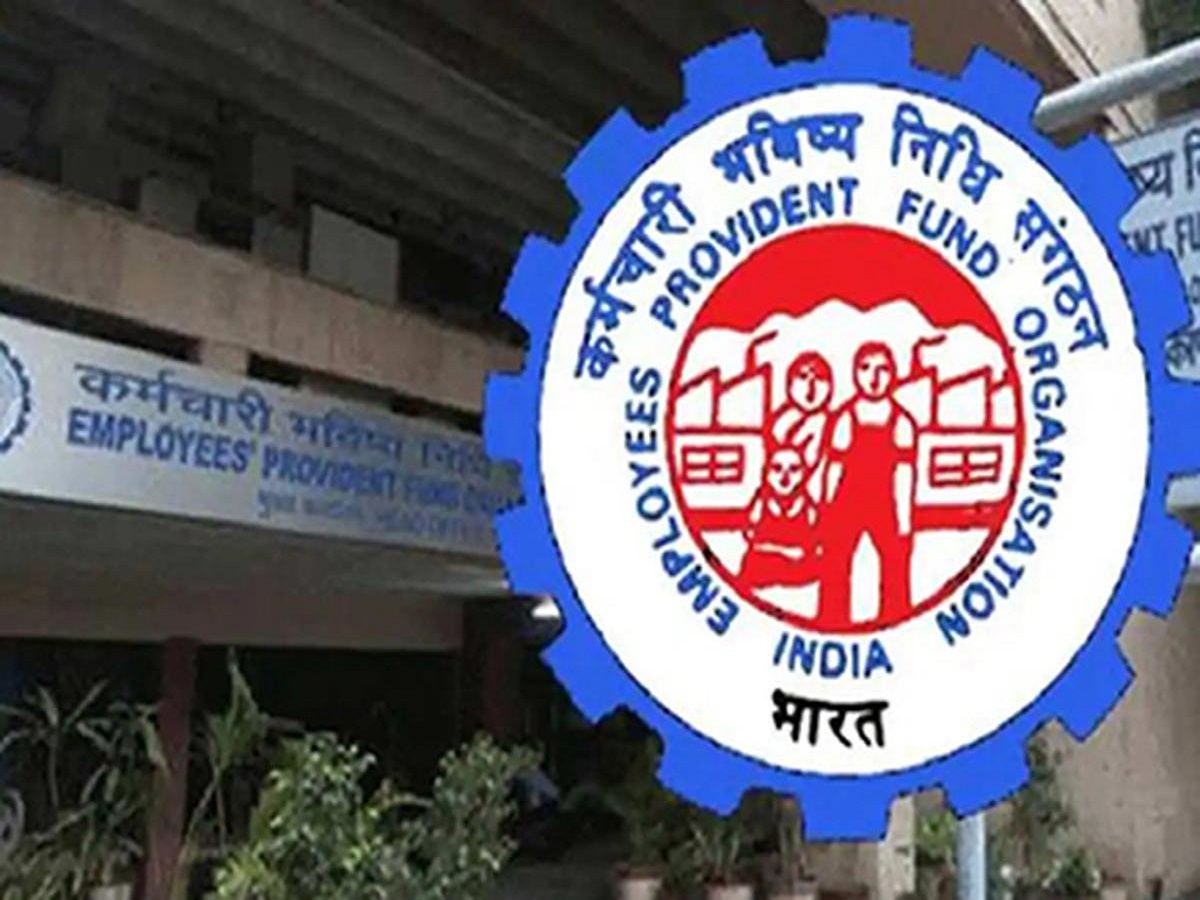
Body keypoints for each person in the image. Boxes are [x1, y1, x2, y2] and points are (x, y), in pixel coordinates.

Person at [821, 342, 916, 627]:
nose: (874, 377)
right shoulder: (844, 418)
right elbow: (834, 466)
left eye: (882, 369)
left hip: (885, 504)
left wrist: (904, 519)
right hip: (846, 503)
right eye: (865, 368)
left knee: (895, 563)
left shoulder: (902, 422)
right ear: (854, 373)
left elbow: (904, 472)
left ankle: (896, 619)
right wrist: (827, 507)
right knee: (835, 563)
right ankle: (833, 620)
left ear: (893, 374)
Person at [740, 443, 820, 590]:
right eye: (777, 468)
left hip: (800, 572)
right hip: (764, 569)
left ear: (803, 473)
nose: (785, 477)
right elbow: (750, 536)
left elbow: (816, 542)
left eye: (794, 469)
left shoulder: (807, 506)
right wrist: (784, 551)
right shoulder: (761, 502)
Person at [770, 351, 833, 503]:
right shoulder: (780, 421)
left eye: (819, 378)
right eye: (803, 377)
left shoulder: (832, 424)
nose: (811, 386)